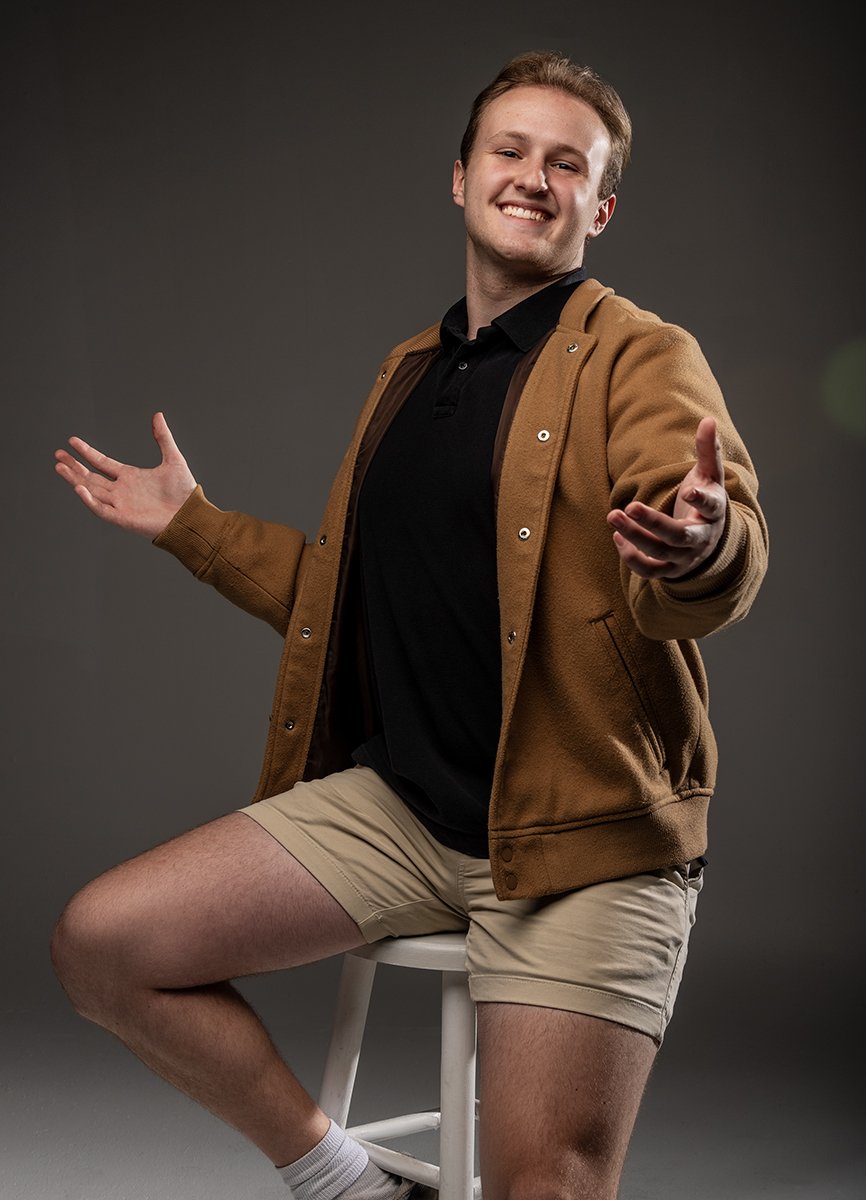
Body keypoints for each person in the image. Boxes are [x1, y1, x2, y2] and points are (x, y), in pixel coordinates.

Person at [51, 50, 768, 1200]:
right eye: (511, 150)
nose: (534, 176)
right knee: (102, 945)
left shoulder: (643, 354)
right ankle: (353, 1183)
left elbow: (712, 551)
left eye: (567, 163)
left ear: (602, 205)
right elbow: (351, 605)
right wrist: (192, 525)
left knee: (548, 1183)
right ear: (461, 177)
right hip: (408, 811)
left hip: (580, 838)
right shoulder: (410, 371)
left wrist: (702, 544)